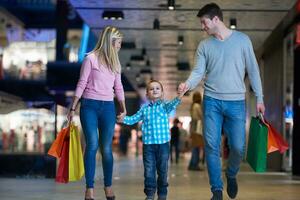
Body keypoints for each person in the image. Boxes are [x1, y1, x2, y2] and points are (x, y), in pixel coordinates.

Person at [178, 3, 265, 200]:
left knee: (238, 147)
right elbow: (198, 72)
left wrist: (259, 97)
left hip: (236, 102)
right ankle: (216, 190)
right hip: (212, 101)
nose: (202, 27)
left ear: (216, 19)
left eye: (204, 22)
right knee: (211, 145)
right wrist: (187, 84)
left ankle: (231, 174)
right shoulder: (204, 45)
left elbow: (253, 70)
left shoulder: (243, 41)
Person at [67, 26, 126, 200]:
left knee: (106, 148)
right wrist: (72, 108)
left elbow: (119, 87)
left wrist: (123, 107)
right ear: (111, 42)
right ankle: (89, 188)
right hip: (89, 106)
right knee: (92, 144)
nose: (120, 46)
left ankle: (108, 186)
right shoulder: (90, 59)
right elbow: (81, 83)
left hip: (108, 106)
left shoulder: (116, 63)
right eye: (119, 43)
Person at [117, 80, 183, 200]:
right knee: (149, 171)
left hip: (163, 145)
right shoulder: (144, 109)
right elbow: (133, 119)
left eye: (158, 88)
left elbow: (173, 104)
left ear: (162, 93)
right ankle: (150, 194)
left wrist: (179, 96)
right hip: (148, 146)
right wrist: (123, 119)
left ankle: (162, 194)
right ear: (147, 94)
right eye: (152, 89)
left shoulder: (165, 106)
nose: (155, 90)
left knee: (163, 171)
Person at [188, 91, 205, 171]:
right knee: (196, 147)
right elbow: (201, 117)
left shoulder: (192, 106)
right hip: (197, 129)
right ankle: (195, 164)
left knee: (195, 147)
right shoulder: (197, 106)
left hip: (193, 128)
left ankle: (192, 164)